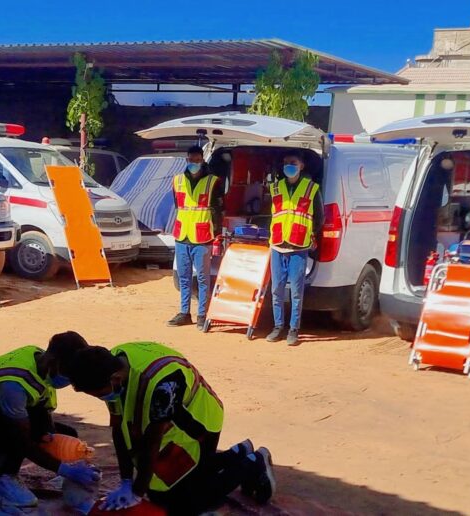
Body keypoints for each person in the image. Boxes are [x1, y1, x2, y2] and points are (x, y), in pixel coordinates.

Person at [66, 342, 275, 515]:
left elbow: (152, 443)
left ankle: (253, 462)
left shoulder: (162, 387)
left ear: (115, 379)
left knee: (185, 506)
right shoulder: (112, 364)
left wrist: (136, 493)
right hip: (170, 423)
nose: (102, 398)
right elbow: (119, 428)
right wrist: (127, 481)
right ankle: (237, 453)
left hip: (198, 424)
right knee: (160, 493)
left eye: (99, 394)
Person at [0, 332, 100, 512]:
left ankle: (55, 474)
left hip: (1, 417)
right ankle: (3, 478)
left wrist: (55, 442)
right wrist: (63, 469)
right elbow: (22, 439)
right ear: (54, 362)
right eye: (69, 374)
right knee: (20, 435)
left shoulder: (41, 363)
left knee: (67, 435)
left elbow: (42, 412)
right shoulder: (13, 385)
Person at [265, 152, 320, 346]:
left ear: (301, 166)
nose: (289, 166)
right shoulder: (275, 188)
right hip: (278, 245)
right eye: (286, 163)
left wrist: (311, 235)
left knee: (296, 291)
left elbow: (319, 218)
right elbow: (272, 214)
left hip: (298, 246)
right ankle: (278, 326)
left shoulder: (311, 189)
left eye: (293, 163)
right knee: (276, 290)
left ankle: (293, 329)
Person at [167, 146, 224, 331]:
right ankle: (184, 313)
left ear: (202, 160)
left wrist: (217, 234)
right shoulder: (177, 181)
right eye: (191, 160)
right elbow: (178, 205)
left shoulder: (213, 182)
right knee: (184, 277)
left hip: (203, 237)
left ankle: (202, 314)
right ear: (187, 160)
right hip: (182, 235)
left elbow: (218, 210)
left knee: (202, 279)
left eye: (197, 160)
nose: (194, 163)